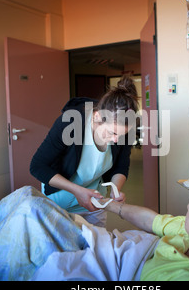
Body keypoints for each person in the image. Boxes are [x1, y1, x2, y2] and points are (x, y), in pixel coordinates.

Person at [30, 76, 139, 227]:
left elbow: (121, 166)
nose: (116, 140)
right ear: (97, 116)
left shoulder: (123, 131)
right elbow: (37, 166)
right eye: (112, 133)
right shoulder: (71, 123)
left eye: (121, 136)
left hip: (94, 200)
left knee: (96, 244)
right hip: (60, 198)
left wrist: (115, 189)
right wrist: (77, 191)